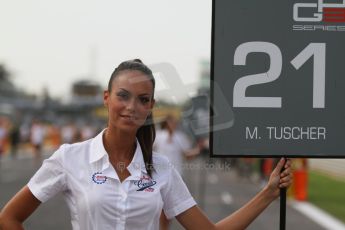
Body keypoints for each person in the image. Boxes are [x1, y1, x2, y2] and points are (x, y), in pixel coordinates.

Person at [0, 59, 292, 230]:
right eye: (123, 96)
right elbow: (9, 218)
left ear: (151, 106)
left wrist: (267, 193)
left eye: (142, 100)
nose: (131, 107)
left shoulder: (162, 169)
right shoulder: (70, 158)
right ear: (106, 97)